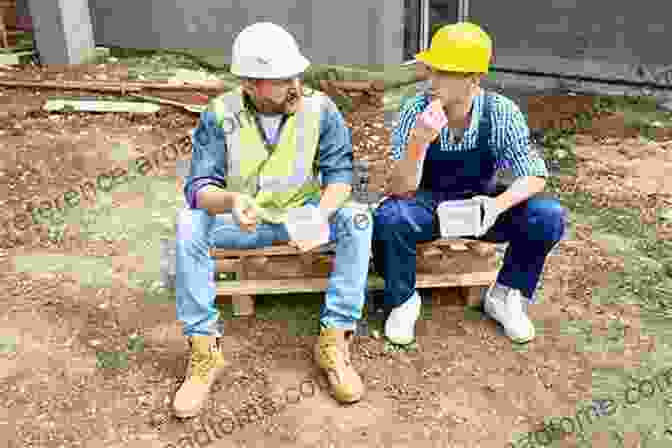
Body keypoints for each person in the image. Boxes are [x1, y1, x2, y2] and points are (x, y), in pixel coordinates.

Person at [173, 22, 372, 417]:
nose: (294, 83)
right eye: (281, 79)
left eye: (294, 73)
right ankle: (204, 349)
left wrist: (320, 215)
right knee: (188, 222)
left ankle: (334, 339)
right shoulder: (220, 115)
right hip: (243, 221)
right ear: (250, 83)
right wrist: (231, 200)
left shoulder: (320, 108)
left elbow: (340, 176)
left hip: (299, 215)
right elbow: (198, 188)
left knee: (359, 218)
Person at [373, 22, 566, 346]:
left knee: (547, 215)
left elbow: (534, 173)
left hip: (482, 206)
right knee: (390, 217)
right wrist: (419, 140)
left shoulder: (501, 112)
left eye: (444, 73)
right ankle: (404, 301)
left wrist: (496, 205)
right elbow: (400, 189)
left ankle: (504, 295)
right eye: (431, 70)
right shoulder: (414, 110)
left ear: (474, 78)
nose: (431, 81)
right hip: (428, 205)